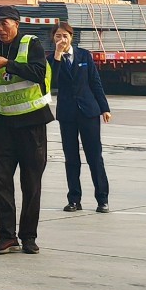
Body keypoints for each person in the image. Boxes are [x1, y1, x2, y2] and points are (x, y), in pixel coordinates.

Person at [0, 5, 54, 255]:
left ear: (16, 24)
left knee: (31, 183)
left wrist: (9, 64)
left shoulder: (31, 44)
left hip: (31, 124)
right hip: (3, 124)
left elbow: (38, 73)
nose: (0, 29)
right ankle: (6, 236)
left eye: (4, 23)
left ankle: (28, 236)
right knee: (1, 181)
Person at [49, 20, 112, 214]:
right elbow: (51, 82)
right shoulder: (51, 59)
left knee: (94, 156)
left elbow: (95, 82)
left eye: (65, 35)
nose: (62, 39)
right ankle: (74, 199)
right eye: (58, 36)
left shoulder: (84, 55)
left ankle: (102, 199)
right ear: (53, 38)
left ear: (71, 37)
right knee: (71, 158)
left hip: (88, 111)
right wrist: (57, 56)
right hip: (67, 114)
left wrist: (104, 108)